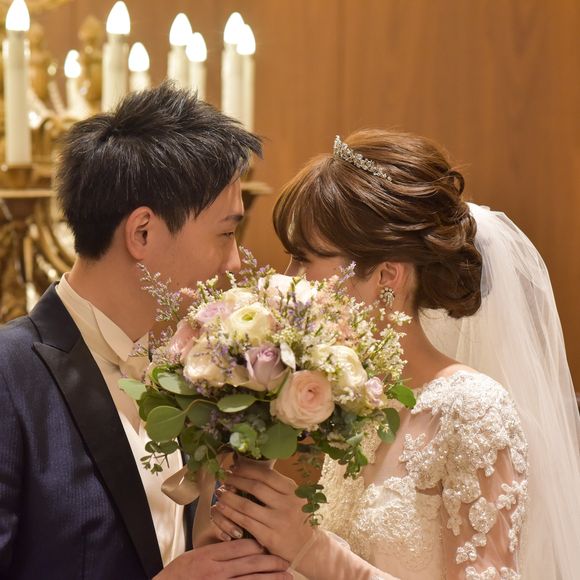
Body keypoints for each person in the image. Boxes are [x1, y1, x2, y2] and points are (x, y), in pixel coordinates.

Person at [210, 130, 580, 579]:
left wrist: (313, 551)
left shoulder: (473, 409)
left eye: (304, 259)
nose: (288, 280)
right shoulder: (359, 400)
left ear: (387, 276)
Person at [0, 83, 291, 580]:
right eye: (226, 233)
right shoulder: (10, 375)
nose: (235, 262)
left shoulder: (199, 369)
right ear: (142, 233)